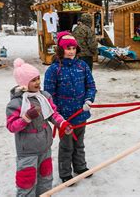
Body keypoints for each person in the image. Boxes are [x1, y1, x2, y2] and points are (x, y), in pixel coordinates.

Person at [6, 58, 70, 196]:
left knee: (46, 179)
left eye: (38, 78)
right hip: (27, 151)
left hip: (44, 147)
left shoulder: (44, 96)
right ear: (23, 83)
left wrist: (62, 123)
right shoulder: (16, 103)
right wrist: (26, 118)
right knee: (27, 183)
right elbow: (12, 126)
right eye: (33, 80)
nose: (37, 83)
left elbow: (53, 114)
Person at [44, 31, 97, 183]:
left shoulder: (82, 65)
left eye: (73, 48)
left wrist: (89, 100)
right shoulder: (54, 70)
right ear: (61, 50)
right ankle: (65, 172)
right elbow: (49, 95)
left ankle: (80, 166)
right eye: (68, 48)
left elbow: (91, 85)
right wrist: (56, 116)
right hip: (64, 117)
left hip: (81, 113)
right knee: (67, 145)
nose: (71, 52)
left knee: (79, 143)